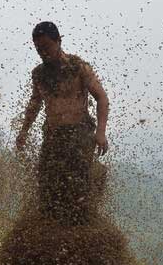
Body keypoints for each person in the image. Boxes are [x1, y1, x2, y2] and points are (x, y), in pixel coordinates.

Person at [15, 21, 109, 226]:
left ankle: (83, 227)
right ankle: (51, 228)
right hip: (53, 134)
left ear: (59, 41)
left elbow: (101, 97)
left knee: (78, 186)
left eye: (46, 47)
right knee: (47, 183)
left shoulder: (78, 67)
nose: (43, 53)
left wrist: (100, 133)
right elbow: (35, 103)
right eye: (38, 49)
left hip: (80, 133)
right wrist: (23, 131)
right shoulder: (38, 74)